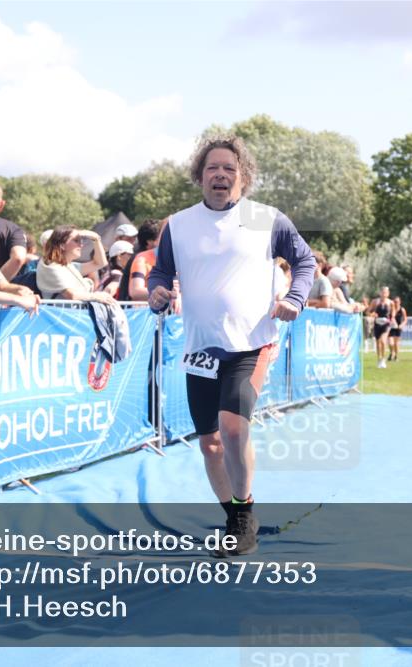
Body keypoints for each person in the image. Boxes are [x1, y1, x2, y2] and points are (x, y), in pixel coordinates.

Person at [147, 135, 314, 558]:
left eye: (229, 169)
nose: (220, 174)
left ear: (243, 177)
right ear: (199, 176)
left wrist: (294, 299)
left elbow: (305, 262)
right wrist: (157, 291)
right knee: (211, 444)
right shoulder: (179, 225)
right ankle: (234, 515)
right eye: (212, 168)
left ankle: (243, 517)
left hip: (251, 342)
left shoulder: (263, 218)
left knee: (234, 426)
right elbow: (160, 273)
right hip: (201, 348)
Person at [36, 225, 114, 302]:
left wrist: (96, 239)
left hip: (72, 313)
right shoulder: (51, 267)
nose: (81, 245)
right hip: (62, 313)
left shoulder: (68, 266)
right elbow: (72, 295)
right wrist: (98, 296)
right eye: (76, 240)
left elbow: (100, 263)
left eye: (81, 241)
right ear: (62, 245)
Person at [123, 218, 165, 301]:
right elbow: (135, 292)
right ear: (150, 241)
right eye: (163, 236)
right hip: (135, 311)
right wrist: (167, 294)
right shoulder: (140, 259)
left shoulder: (163, 257)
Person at [369, 286, 393, 368]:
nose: (384, 294)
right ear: (380, 293)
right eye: (382, 292)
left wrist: (391, 319)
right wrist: (373, 314)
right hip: (377, 323)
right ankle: (379, 359)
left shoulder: (390, 303)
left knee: (383, 341)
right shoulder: (375, 301)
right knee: (378, 342)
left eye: (385, 292)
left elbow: (393, 313)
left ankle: (383, 359)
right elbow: (369, 311)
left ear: (388, 294)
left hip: (386, 324)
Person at [388, 296, 406, 361]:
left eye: (397, 302)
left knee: (396, 343)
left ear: (400, 302)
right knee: (390, 343)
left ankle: (396, 356)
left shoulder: (402, 309)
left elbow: (405, 319)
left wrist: (402, 324)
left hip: (398, 327)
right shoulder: (391, 309)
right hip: (391, 327)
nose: (396, 303)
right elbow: (388, 317)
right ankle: (391, 353)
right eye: (395, 302)